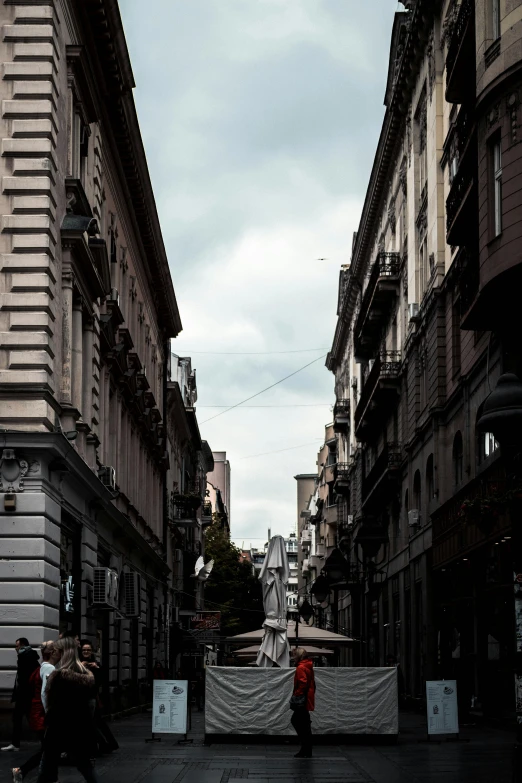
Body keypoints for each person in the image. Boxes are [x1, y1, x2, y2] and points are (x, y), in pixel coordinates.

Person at [35, 636, 99, 783]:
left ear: (63, 653)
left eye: (56, 651)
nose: (53, 654)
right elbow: (91, 705)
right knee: (85, 767)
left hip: (58, 729)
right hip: (79, 728)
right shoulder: (87, 677)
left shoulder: (59, 677)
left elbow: (54, 705)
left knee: (46, 767)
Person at [11, 641, 59, 782]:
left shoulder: (43, 667)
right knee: (49, 749)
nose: (59, 652)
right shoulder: (49, 668)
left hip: (38, 713)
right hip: (42, 715)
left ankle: (49, 778)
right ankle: (22, 771)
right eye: (57, 650)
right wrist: (49, 714)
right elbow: (45, 693)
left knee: (50, 748)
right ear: (52, 653)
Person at [1, 637, 40, 753]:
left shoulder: (25, 657)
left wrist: (21, 691)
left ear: (22, 646)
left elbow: (24, 678)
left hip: (24, 695)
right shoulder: (29, 656)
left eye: (17, 646)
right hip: (25, 694)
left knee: (23, 718)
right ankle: (15, 743)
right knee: (20, 718)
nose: (15, 648)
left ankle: (16, 744)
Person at [80, 640, 118, 754]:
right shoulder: (78, 663)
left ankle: (105, 744)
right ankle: (106, 745)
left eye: (88, 650)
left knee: (93, 723)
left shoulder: (95, 664)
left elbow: (100, 681)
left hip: (91, 698)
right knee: (95, 722)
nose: (86, 652)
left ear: (92, 651)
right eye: (84, 650)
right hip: (83, 697)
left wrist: (97, 668)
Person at [290, 647, 315, 759]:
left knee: (296, 721)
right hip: (307, 697)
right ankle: (306, 749)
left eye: (294, 655)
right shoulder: (308, 665)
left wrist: (297, 695)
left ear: (298, 656)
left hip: (301, 698)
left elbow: (303, 683)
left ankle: (305, 747)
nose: (292, 657)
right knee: (305, 724)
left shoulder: (300, 667)